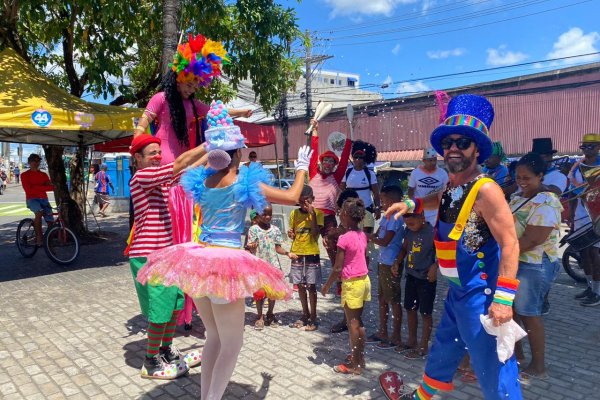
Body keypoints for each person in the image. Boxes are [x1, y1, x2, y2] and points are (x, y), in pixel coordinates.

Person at [137, 102, 312, 399]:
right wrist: (302, 168)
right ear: (238, 153)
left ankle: (207, 395)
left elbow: (191, 165)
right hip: (226, 262)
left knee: (214, 339)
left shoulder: (202, 180)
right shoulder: (244, 180)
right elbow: (294, 197)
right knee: (232, 344)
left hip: (199, 261)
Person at [384, 94, 521, 399]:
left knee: (494, 370)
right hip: (457, 292)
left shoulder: (486, 190)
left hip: (481, 298)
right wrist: (410, 202)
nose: (453, 148)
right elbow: (438, 200)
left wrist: (504, 299)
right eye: (448, 143)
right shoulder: (451, 184)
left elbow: (510, 243)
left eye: (463, 142)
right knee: (442, 354)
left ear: (477, 149)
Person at [126, 134, 206, 380]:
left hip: (166, 254)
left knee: (175, 304)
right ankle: (150, 362)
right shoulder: (142, 177)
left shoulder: (158, 180)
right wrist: (209, 142)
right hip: (149, 255)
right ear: (138, 158)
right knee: (160, 310)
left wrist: (217, 151)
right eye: (152, 154)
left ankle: (165, 350)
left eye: (158, 153)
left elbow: (190, 167)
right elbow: (181, 162)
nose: (157, 158)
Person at [132, 34, 252, 165]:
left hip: (185, 156)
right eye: (189, 85)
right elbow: (144, 120)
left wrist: (241, 112)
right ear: (179, 79)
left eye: (195, 88)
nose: (191, 90)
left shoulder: (193, 104)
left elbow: (217, 111)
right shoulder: (161, 98)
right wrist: (136, 139)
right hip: (163, 157)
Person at [509, 153, 562, 379]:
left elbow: (533, 239)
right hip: (516, 260)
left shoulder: (547, 201)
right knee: (511, 312)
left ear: (540, 176)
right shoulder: (517, 197)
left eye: (527, 177)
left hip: (535, 264)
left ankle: (538, 365)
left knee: (529, 313)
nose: (521, 181)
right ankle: (517, 354)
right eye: (518, 176)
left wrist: (505, 254)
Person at [321, 197, 370, 375]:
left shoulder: (344, 238)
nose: (339, 214)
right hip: (364, 281)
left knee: (353, 325)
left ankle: (355, 365)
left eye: (341, 212)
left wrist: (327, 285)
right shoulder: (363, 235)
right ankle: (360, 358)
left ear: (346, 215)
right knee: (359, 323)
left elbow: (338, 267)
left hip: (352, 284)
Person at [392, 211, 437, 360]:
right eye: (407, 224)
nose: (410, 227)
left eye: (412, 224)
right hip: (411, 275)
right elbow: (405, 248)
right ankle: (412, 341)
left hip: (426, 279)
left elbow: (445, 253)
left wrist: (435, 267)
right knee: (410, 308)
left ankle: (423, 345)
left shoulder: (433, 232)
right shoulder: (409, 231)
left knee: (425, 313)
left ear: (422, 218)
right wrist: (397, 262)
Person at [246, 204, 297, 330]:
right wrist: (251, 247)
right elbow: (249, 246)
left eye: (270, 214)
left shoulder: (275, 230)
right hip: (258, 265)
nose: (267, 217)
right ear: (258, 214)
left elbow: (277, 247)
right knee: (259, 292)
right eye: (264, 214)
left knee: (273, 291)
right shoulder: (254, 229)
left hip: (273, 265)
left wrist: (287, 253)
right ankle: (259, 316)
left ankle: (270, 313)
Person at [308, 119, 352, 263]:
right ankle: (307, 279)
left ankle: (339, 280)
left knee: (333, 248)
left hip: (328, 219)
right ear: (321, 162)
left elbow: (345, 159)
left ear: (334, 165)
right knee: (307, 248)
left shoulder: (336, 177)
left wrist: (350, 136)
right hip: (310, 215)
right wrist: (315, 130)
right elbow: (313, 152)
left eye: (331, 161)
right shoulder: (313, 173)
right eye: (325, 160)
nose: (328, 163)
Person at [367, 185, 406, 350]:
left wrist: (367, 236)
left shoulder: (396, 218)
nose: (381, 204)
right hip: (382, 261)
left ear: (393, 201)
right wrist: (371, 235)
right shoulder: (385, 217)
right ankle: (382, 331)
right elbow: (378, 235)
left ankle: (395, 336)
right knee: (382, 298)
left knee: (394, 300)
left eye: (383, 201)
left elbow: (384, 241)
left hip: (391, 263)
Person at [567, 133, 600, 306]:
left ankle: (597, 292)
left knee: (595, 254)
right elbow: (572, 192)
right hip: (580, 215)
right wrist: (571, 214)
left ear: (598, 147)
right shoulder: (577, 167)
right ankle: (589, 287)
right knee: (584, 253)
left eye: (591, 146)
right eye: (584, 147)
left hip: (597, 216)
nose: (587, 150)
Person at [288, 185, 324, 331]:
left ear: (313, 200)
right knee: (300, 285)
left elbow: (315, 233)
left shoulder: (318, 214)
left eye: (307, 201)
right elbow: (292, 233)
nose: (304, 205)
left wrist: (313, 215)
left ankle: (314, 316)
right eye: (301, 202)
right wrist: (291, 234)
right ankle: (305, 313)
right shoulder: (294, 214)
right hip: (297, 252)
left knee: (312, 286)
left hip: (311, 253)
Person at [341, 140, 381, 234]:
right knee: (351, 235)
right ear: (353, 158)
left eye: (361, 157)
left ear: (365, 159)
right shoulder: (347, 172)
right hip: (351, 209)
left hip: (367, 208)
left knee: (367, 236)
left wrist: (378, 208)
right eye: (356, 157)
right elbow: (341, 189)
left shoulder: (370, 174)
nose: (358, 159)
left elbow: (376, 193)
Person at [408, 147, 449, 226]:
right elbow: (410, 190)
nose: (433, 163)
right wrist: (413, 206)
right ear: (424, 161)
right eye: (430, 160)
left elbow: (447, 191)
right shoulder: (415, 173)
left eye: (435, 160)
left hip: (436, 212)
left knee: (433, 235)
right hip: (419, 211)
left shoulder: (442, 173)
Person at [21, 154, 54, 246]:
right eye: (34, 161)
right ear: (29, 162)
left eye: (38, 161)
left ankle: (48, 241)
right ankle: (39, 238)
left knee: (51, 221)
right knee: (39, 213)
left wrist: (36, 187)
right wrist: (43, 187)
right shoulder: (24, 175)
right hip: (32, 199)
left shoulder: (43, 175)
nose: (36, 163)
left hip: (44, 199)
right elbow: (28, 189)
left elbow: (51, 188)